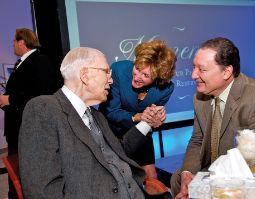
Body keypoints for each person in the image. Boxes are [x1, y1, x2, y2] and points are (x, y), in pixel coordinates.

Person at [18, 47, 166, 199]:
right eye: (106, 72)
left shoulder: (96, 115)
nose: (111, 79)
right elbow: (42, 191)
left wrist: (146, 122)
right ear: (85, 75)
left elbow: (119, 151)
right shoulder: (43, 108)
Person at [171, 37, 255, 199]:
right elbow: (198, 140)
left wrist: (211, 184)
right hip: (211, 169)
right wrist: (188, 173)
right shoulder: (200, 97)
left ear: (226, 72)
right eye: (193, 67)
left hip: (245, 174)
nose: (193, 75)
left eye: (202, 69)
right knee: (178, 178)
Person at [101, 40, 177, 179]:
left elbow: (150, 121)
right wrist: (138, 117)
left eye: (145, 75)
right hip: (111, 132)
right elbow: (111, 112)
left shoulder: (166, 88)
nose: (137, 77)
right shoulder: (119, 70)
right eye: (137, 68)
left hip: (140, 133)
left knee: (151, 178)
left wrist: (155, 120)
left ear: (159, 76)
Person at [0, 28, 57, 199]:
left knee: (26, 172)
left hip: (27, 129)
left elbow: (40, 93)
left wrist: (10, 100)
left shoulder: (40, 61)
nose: (12, 45)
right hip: (17, 128)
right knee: (17, 172)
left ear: (22, 42)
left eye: (14, 41)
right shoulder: (23, 62)